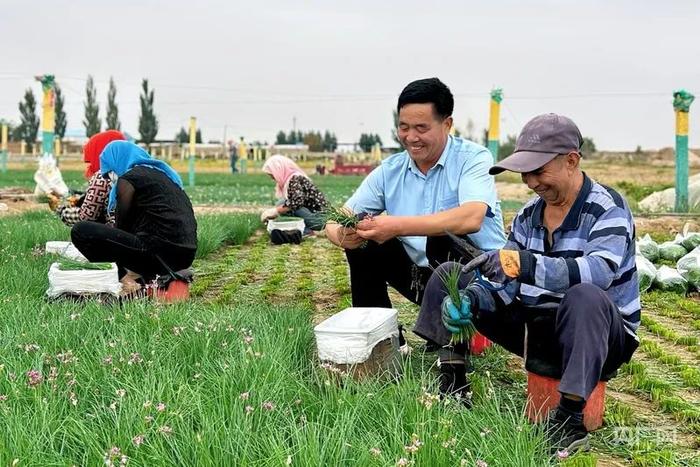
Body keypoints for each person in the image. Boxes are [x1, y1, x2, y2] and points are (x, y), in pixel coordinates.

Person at [414, 113, 640, 453]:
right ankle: (452, 383)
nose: (531, 182)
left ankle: (570, 420)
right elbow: (505, 282)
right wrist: (473, 299)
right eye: (525, 173)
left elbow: (600, 271)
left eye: (539, 171)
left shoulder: (607, 209)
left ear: (571, 160)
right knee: (452, 276)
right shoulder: (528, 216)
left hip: (600, 335)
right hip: (537, 327)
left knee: (585, 297)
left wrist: (526, 264)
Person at [324, 77, 506, 310]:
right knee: (364, 239)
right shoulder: (391, 170)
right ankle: (380, 335)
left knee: (441, 236)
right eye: (404, 127)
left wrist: (396, 226)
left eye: (422, 128)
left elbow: (471, 218)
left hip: (481, 281)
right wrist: (340, 234)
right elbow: (339, 216)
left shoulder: (472, 158)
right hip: (423, 280)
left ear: (447, 124)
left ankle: (460, 336)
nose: (411, 137)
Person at [71, 141, 198, 294]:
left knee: (81, 231)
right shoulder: (164, 177)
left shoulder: (129, 179)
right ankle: (144, 280)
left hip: (160, 253)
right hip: (185, 256)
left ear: (117, 162)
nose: (110, 178)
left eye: (109, 173)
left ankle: (126, 282)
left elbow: (121, 227)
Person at [51, 130, 126, 226]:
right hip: (142, 234)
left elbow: (85, 218)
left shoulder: (104, 177)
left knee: (79, 230)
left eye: (91, 161)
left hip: (117, 235)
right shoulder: (134, 172)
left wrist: (59, 208)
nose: (89, 167)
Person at [260, 154, 329, 236]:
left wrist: (276, 211)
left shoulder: (294, 179)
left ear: (278, 170)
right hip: (315, 216)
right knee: (283, 203)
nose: (272, 177)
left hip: (319, 220)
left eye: (272, 174)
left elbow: (297, 202)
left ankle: (304, 231)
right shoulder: (292, 178)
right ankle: (304, 229)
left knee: (283, 205)